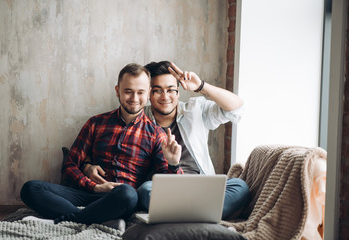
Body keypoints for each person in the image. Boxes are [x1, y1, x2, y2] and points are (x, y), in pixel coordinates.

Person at [20, 63, 183, 229]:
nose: (134, 98)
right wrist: (95, 187)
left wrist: (173, 163)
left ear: (148, 93)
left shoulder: (156, 134)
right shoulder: (96, 123)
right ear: (117, 90)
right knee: (31, 188)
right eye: (128, 91)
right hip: (87, 193)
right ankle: (96, 219)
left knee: (129, 194)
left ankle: (63, 221)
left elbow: (168, 189)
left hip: (120, 199)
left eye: (140, 92)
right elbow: (69, 166)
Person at [137, 61, 249, 220]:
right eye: (157, 91)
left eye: (171, 90)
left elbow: (237, 109)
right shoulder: (139, 120)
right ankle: (203, 214)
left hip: (201, 186)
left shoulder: (195, 109)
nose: (165, 96)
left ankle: (180, 215)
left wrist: (201, 86)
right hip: (164, 189)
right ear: (149, 93)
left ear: (178, 92)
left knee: (240, 186)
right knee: (145, 190)